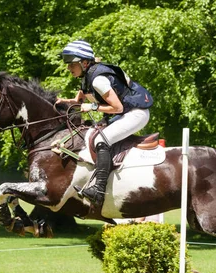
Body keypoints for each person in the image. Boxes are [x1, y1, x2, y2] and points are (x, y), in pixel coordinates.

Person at [55, 39, 153, 207]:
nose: (68, 68)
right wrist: (65, 101)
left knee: (101, 140)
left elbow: (117, 107)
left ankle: (99, 190)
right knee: (89, 134)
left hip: (136, 114)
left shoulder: (98, 80)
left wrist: (92, 106)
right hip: (123, 113)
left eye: (72, 64)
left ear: (85, 63)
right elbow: (79, 99)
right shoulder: (87, 77)